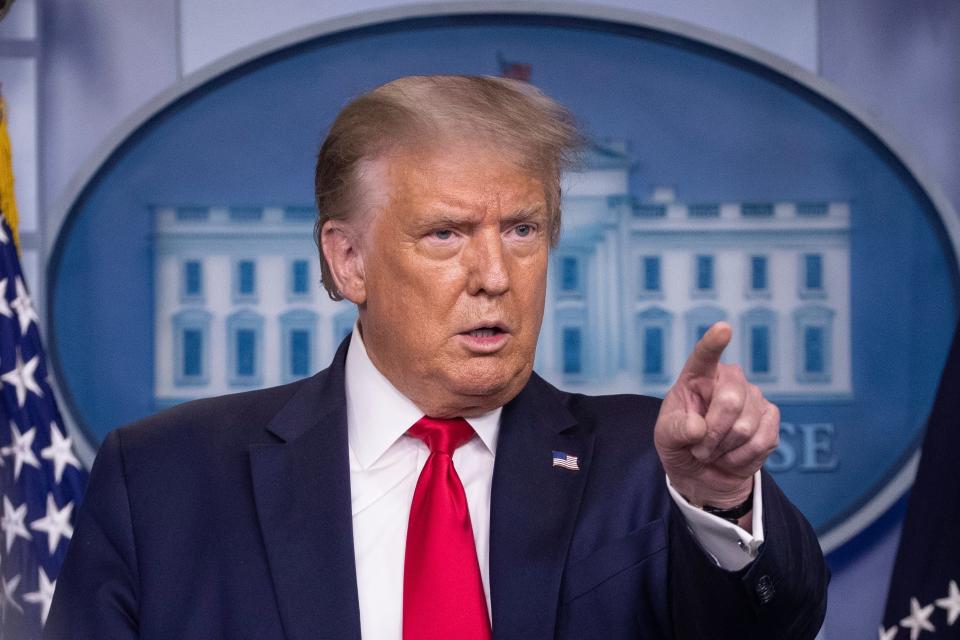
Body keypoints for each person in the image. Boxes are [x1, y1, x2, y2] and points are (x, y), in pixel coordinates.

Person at [47, 76, 827, 639]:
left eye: (522, 230)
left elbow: (773, 625)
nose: (495, 276)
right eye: (446, 234)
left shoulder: (648, 466)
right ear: (348, 261)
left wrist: (721, 501)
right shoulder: (165, 480)